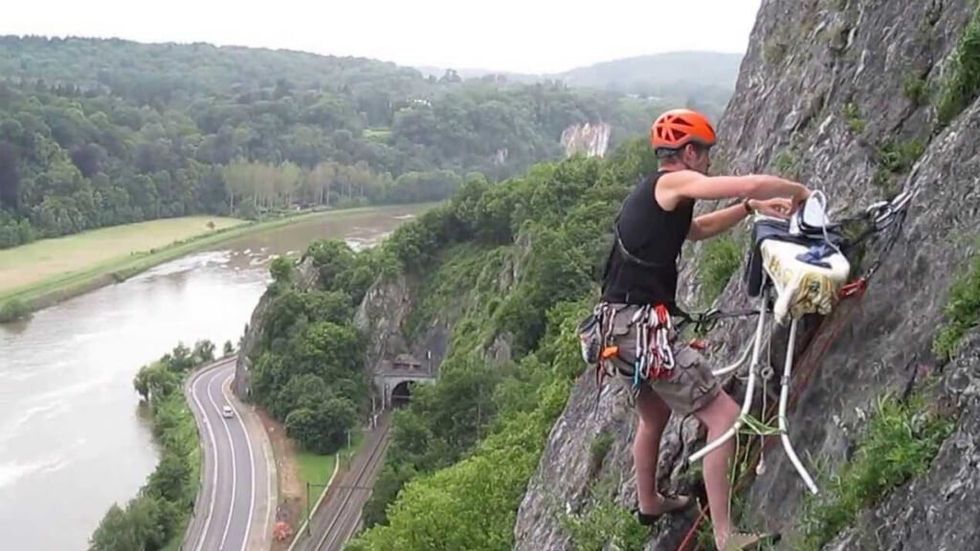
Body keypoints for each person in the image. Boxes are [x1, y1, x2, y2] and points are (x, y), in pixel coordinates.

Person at [599, 108, 810, 550]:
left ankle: (650, 502)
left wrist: (748, 209)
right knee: (725, 417)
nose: (710, 161)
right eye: (706, 154)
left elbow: (694, 230)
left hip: (617, 328)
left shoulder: (661, 197)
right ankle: (726, 536)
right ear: (689, 153)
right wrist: (799, 192)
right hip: (640, 328)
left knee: (654, 414)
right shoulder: (673, 182)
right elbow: (749, 181)